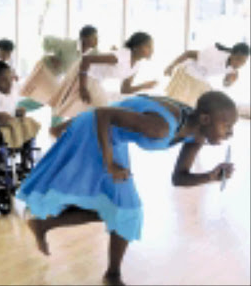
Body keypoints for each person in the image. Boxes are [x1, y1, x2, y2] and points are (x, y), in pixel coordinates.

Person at [17, 91, 237, 286]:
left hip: (113, 137)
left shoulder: (196, 133)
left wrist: (210, 176)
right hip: (93, 130)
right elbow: (103, 114)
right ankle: (111, 275)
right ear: (206, 119)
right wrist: (110, 163)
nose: (230, 133)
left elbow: (179, 178)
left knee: (120, 210)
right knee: (127, 211)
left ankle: (44, 225)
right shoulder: (161, 127)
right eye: (227, 126)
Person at [49, 32, 158, 126]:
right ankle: (60, 130)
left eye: (152, 47)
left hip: (95, 79)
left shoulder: (136, 65)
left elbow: (125, 90)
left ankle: (63, 130)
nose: (151, 50)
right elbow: (86, 60)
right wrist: (83, 88)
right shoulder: (124, 55)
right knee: (103, 108)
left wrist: (144, 86)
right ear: (136, 47)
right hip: (84, 73)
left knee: (97, 109)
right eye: (148, 46)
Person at [18, 25, 100, 135]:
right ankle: (55, 129)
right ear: (84, 38)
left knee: (46, 100)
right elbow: (46, 41)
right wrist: (51, 55)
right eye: (93, 37)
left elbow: (103, 61)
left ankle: (15, 109)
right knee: (55, 100)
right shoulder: (67, 45)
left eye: (97, 37)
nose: (96, 40)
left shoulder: (93, 52)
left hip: (58, 77)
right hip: (46, 70)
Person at [164, 42, 250, 107]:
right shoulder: (214, 55)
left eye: (243, 61)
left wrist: (229, 81)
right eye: (238, 59)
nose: (239, 63)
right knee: (179, 104)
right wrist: (171, 66)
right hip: (188, 72)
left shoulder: (234, 70)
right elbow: (188, 53)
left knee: (202, 104)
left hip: (201, 78)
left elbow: (225, 84)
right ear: (232, 54)